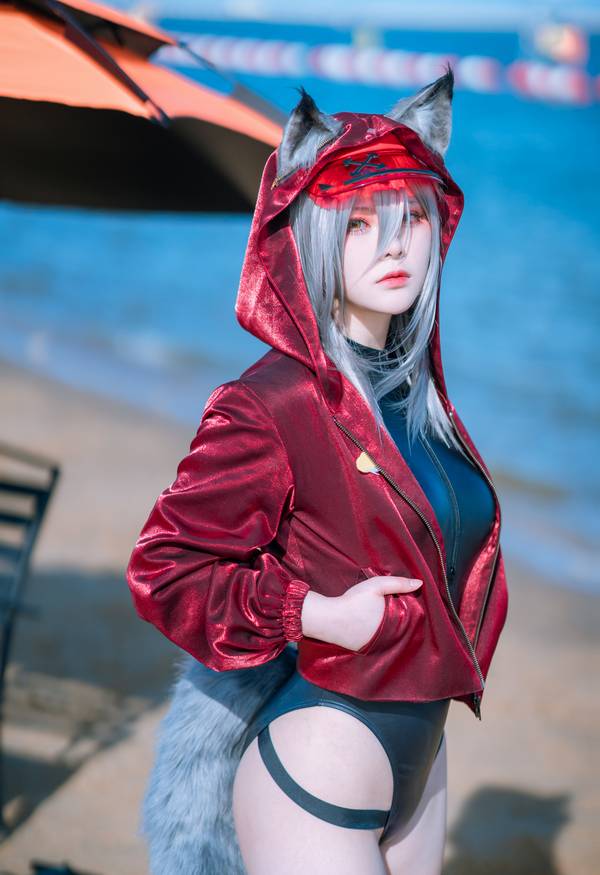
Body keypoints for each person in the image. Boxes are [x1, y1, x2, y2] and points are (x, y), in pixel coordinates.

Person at [126, 65, 508, 875]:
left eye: (410, 217)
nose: (395, 243)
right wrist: (314, 612)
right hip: (319, 760)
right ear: (315, 236)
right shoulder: (273, 399)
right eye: (361, 223)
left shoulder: (419, 395)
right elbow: (165, 567)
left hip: (424, 756)